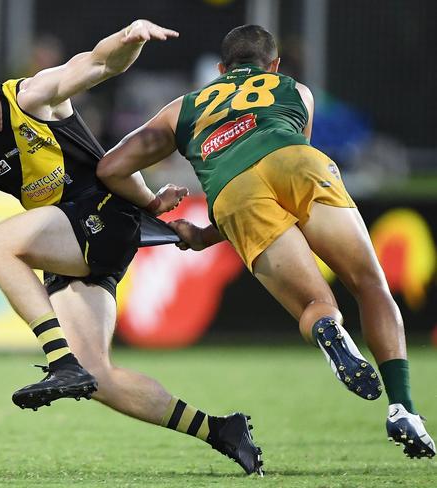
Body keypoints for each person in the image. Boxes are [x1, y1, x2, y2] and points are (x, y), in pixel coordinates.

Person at [0, 20, 263, 475]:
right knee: (98, 377)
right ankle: (222, 430)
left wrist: (128, 38)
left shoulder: (31, 97)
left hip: (103, 216)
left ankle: (59, 360)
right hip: (69, 241)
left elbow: (97, 63)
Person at [96, 24, 435, 460]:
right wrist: (207, 235)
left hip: (233, 191)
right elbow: (282, 176)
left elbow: (111, 168)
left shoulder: (183, 107)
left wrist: (159, 204)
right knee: (370, 284)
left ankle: (329, 329)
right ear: (272, 66)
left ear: (220, 70)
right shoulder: (297, 91)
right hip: (296, 160)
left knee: (315, 306)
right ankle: (403, 407)